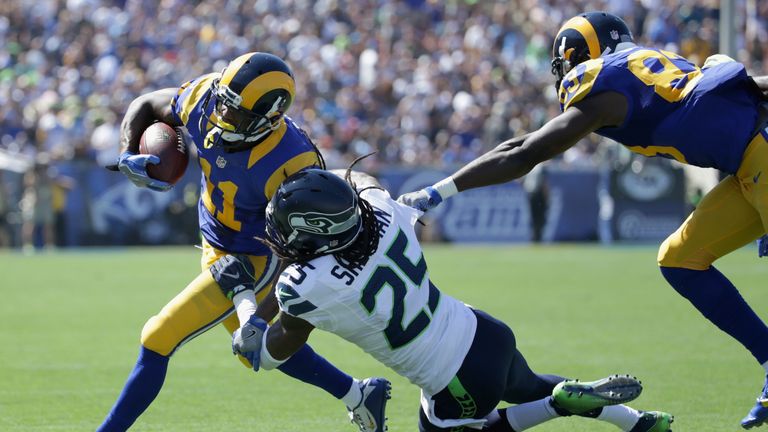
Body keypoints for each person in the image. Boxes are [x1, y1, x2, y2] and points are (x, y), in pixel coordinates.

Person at [397, 11, 768, 429]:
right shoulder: (651, 67)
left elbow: (524, 152)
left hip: (760, 153)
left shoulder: (602, 80)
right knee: (680, 259)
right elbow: (745, 83)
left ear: (578, 54)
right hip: (747, 166)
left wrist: (437, 191)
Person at [221, 167, 673, 431]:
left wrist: (242, 297)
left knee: (489, 421)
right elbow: (361, 176)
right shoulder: (384, 210)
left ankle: (556, 406)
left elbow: (264, 354)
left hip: (452, 379)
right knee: (525, 382)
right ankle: (634, 421)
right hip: (483, 332)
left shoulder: (304, 287)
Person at [100, 52, 389, 431]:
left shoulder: (293, 161)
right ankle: (358, 394)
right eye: (223, 103)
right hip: (213, 235)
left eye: (234, 113)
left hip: (254, 255)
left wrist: (263, 312)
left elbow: (299, 250)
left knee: (158, 336)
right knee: (254, 351)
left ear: (268, 119)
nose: (220, 116)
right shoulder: (205, 97)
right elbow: (146, 103)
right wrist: (126, 152)